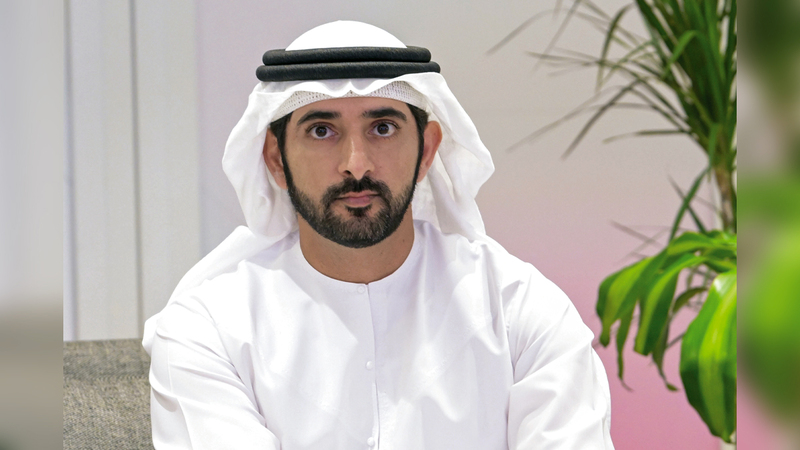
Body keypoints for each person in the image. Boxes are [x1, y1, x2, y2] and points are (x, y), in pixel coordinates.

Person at [143, 20, 614, 450]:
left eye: (382, 128)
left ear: (426, 150)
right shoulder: (208, 332)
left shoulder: (520, 312)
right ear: (275, 159)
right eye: (322, 130)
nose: (356, 164)